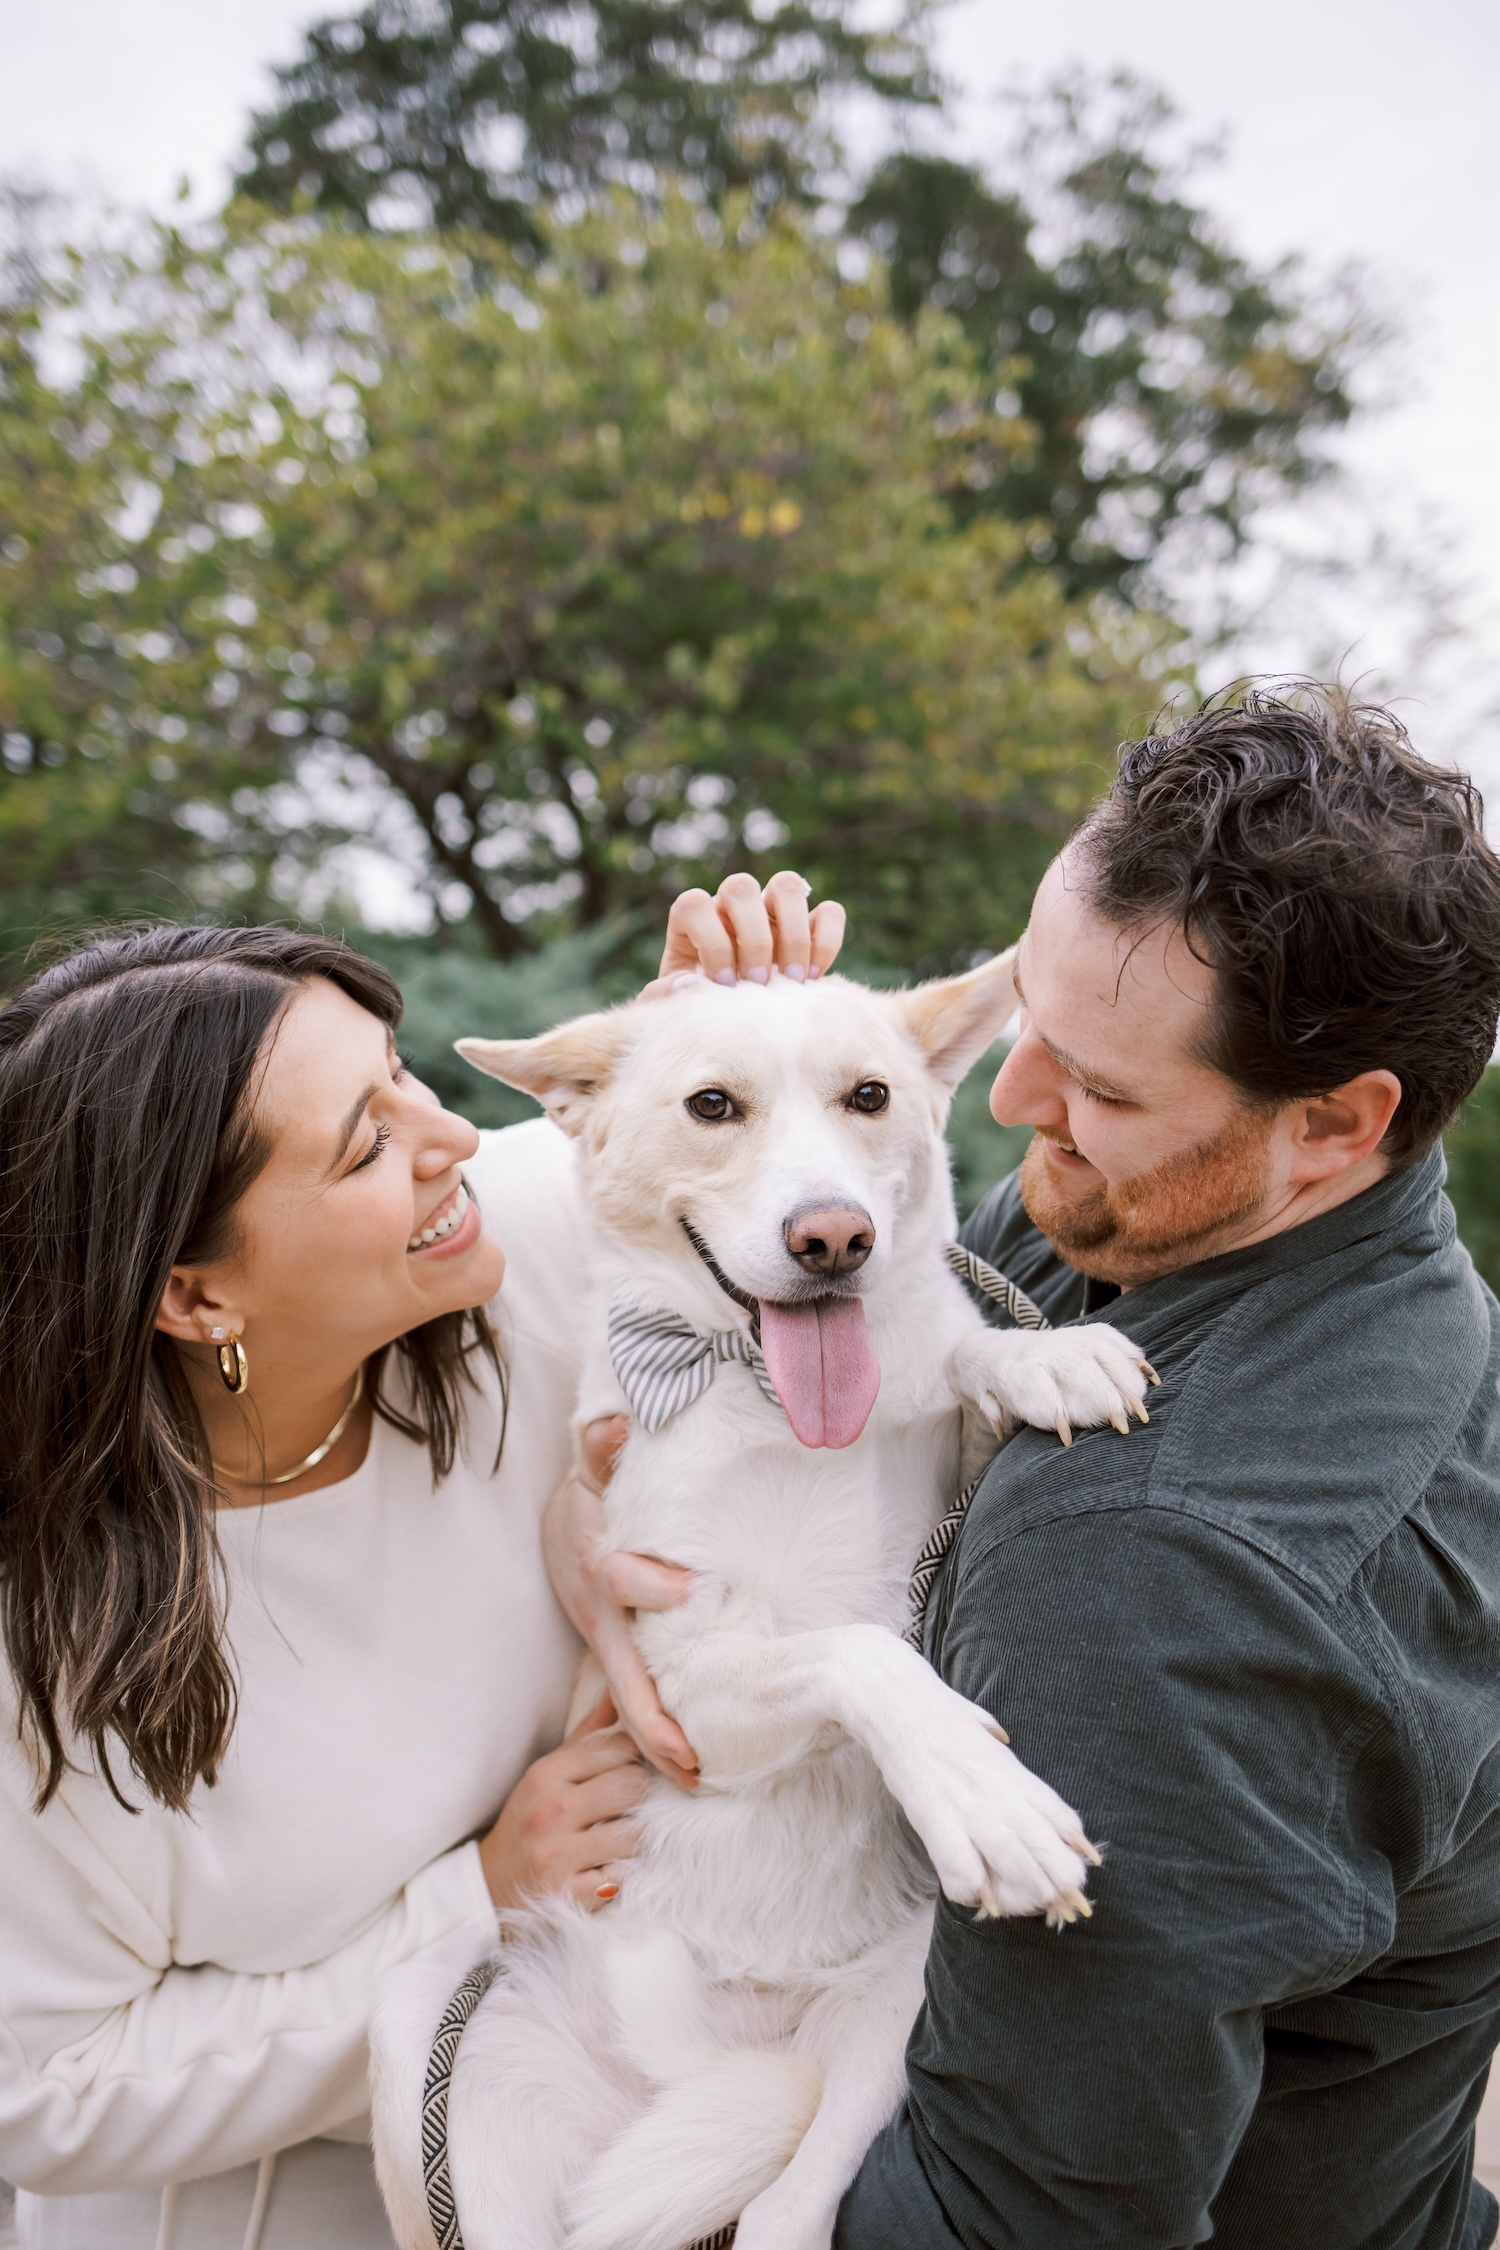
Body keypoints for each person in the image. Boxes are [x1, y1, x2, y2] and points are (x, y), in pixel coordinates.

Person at [0, 882, 840, 2250]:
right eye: (363, 1143)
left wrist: (710, 1054)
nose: (449, 1135)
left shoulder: (508, 1247)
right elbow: (46, 2081)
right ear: (195, 1295)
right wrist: (476, 1905)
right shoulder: (43, 1633)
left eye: (400, 1075)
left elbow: (767, 1202)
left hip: (620, 2170)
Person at [826, 688, 1500, 2248]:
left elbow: (1011, 2225)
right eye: (1030, 1028)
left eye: (1103, 1088)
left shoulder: (1160, 1561)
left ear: (1335, 1120)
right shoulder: (1203, 1228)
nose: (1009, 1107)